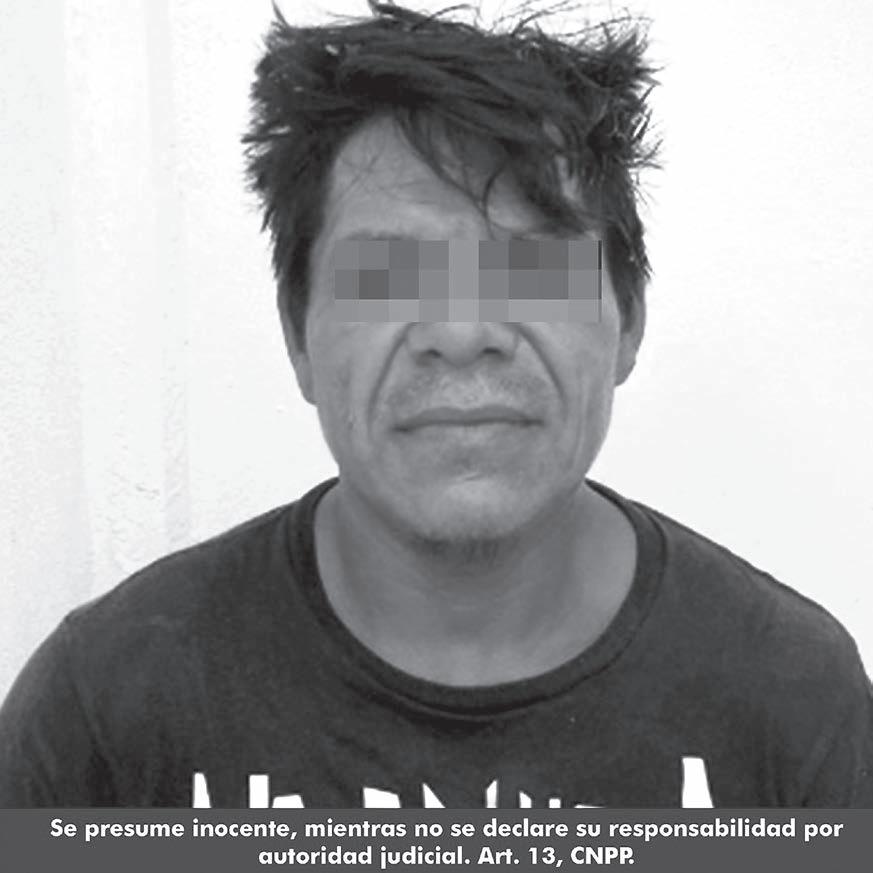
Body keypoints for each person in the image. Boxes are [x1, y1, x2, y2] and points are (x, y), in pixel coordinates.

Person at [1, 0, 871, 808]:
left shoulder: (791, 701)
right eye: (388, 275)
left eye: (531, 267)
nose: (460, 331)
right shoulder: (104, 712)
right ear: (298, 337)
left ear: (628, 323)